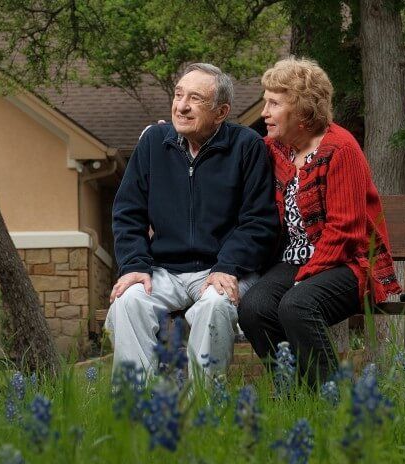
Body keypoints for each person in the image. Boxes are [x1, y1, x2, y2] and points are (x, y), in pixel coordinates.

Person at [105, 63, 279, 379]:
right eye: (179, 94)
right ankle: (136, 407)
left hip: (223, 268)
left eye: (195, 98)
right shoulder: (153, 142)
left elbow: (258, 221)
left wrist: (228, 266)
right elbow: (128, 213)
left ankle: (204, 409)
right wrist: (134, 265)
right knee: (127, 300)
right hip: (165, 271)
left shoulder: (246, 147)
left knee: (216, 304)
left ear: (221, 111)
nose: (181, 106)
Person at [238, 57, 402, 387]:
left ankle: (332, 401)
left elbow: (346, 231)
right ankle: (291, 395)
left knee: (298, 305)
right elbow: (233, 145)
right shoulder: (276, 148)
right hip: (295, 261)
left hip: (348, 264)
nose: (264, 112)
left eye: (274, 103)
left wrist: (306, 277)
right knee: (253, 307)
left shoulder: (341, 150)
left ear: (302, 111)